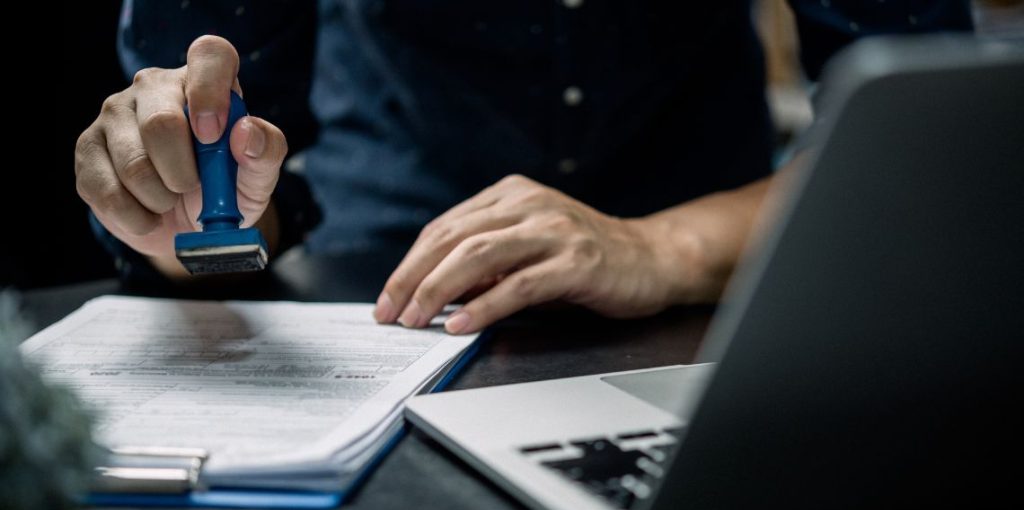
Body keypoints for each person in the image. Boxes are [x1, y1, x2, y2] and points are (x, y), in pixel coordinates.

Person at [74, 1, 972, 335]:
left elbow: (931, 142)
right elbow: (225, 186)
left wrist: (665, 249)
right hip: (378, 310)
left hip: (721, 299)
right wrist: (180, 221)